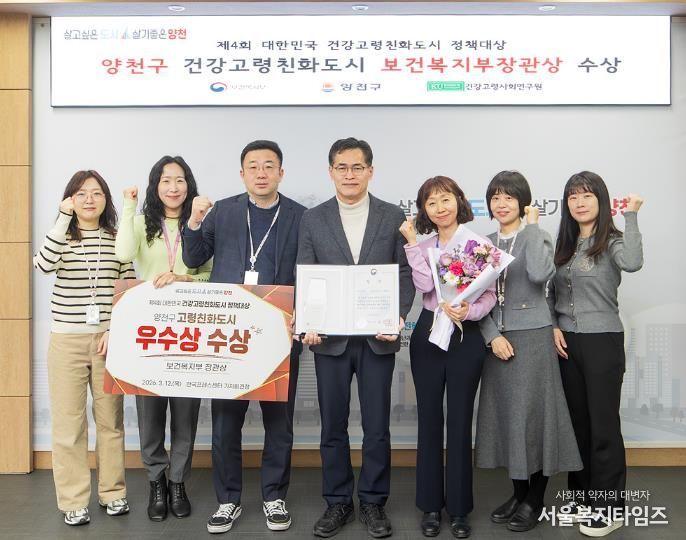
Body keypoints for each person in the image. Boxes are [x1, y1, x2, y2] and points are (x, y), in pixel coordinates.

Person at [182, 140, 305, 534]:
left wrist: (303, 315)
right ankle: (228, 501)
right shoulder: (223, 212)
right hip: (229, 334)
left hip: (279, 333)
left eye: (269, 166)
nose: (261, 173)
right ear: (242, 174)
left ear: (281, 172)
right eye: (253, 166)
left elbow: (310, 273)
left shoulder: (301, 216)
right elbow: (193, 258)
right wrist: (194, 222)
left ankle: (274, 498)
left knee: (279, 423)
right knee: (224, 423)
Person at [298, 137, 415, 539]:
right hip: (329, 340)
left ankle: (372, 502)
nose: (350, 175)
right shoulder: (313, 219)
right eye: (342, 167)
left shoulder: (392, 215)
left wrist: (398, 315)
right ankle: (337, 502)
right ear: (331, 171)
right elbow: (306, 272)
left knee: (377, 426)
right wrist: (309, 320)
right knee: (332, 426)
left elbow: (404, 272)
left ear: (370, 171)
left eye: (357, 167)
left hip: (376, 338)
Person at [474, 171, 582, 533]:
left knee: (535, 421)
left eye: (509, 197)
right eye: (495, 197)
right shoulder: (483, 244)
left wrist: (533, 228)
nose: (501, 204)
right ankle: (518, 494)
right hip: (497, 342)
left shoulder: (539, 236)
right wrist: (492, 336)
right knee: (509, 421)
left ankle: (535, 499)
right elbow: (474, 299)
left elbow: (538, 275)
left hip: (533, 338)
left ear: (523, 202)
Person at [34, 170, 134, 526]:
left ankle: (113, 493)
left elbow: (128, 287)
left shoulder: (117, 238)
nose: (89, 199)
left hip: (108, 341)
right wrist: (62, 218)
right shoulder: (61, 235)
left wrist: (116, 329)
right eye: (81, 193)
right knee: (69, 424)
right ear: (70, 200)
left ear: (106, 199)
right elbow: (43, 265)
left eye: (96, 193)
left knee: (111, 422)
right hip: (66, 341)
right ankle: (74, 500)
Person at [115, 155, 211, 521]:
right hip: (150, 330)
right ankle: (156, 481)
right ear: (156, 186)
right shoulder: (142, 223)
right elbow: (124, 253)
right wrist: (128, 205)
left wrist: (185, 279)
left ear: (189, 185)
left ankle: (177, 481)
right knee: (150, 413)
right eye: (166, 180)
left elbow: (212, 275)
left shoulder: (201, 222)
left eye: (180, 180)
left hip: (190, 330)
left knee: (185, 414)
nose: (173, 187)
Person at [398, 176, 495, 539]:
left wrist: (469, 311)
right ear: (424, 210)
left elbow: (489, 297)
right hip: (428, 332)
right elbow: (425, 286)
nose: (440, 208)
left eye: (445, 199)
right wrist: (412, 244)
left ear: (459, 201)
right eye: (431, 202)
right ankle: (429, 506)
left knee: (459, 421)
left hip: (465, 336)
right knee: (428, 420)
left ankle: (458, 509)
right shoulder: (421, 246)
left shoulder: (479, 245)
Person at [549, 171, 643, 538]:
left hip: (602, 341)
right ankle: (582, 499)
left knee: (603, 427)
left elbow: (633, 262)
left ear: (601, 201)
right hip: (567, 343)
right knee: (578, 425)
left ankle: (609, 508)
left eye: (587, 195)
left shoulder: (612, 240)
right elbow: (550, 292)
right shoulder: (565, 244)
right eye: (573, 196)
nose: (580, 202)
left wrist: (631, 214)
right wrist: (554, 325)